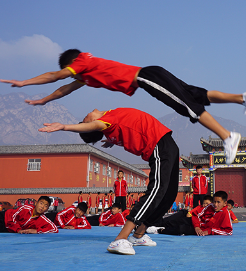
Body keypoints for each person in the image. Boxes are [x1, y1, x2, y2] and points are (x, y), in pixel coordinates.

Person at [0, 49, 246, 164]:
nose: (70, 75)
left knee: (188, 108)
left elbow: (57, 77)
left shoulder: (80, 63)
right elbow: (65, 87)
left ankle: (228, 137)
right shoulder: (87, 72)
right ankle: (243, 99)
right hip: (151, 75)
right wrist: (44, 100)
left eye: (69, 70)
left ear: (71, 63)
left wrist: (25, 82)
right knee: (197, 94)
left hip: (146, 78)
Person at [39, 107, 181, 255]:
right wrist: (64, 127)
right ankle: (120, 239)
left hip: (168, 142)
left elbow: (124, 128)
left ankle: (139, 234)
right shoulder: (106, 121)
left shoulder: (110, 124)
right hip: (157, 143)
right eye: (84, 121)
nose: (85, 115)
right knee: (157, 190)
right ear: (92, 124)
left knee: (169, 194)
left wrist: (114, 140)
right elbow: (95, 126)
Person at [146, 191, 233, 236]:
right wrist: (197, 226)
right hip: (196, 224)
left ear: (225, 203)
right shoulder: (209, 206)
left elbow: (228, 232)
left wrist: (209, 231)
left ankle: (158, 230)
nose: (215, 204)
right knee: (178, 219)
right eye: (214, 202)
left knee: (181, 229)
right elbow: (196, 215)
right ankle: (148, 224)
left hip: (202, 231)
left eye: (218, 202)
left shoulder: (225, 213)